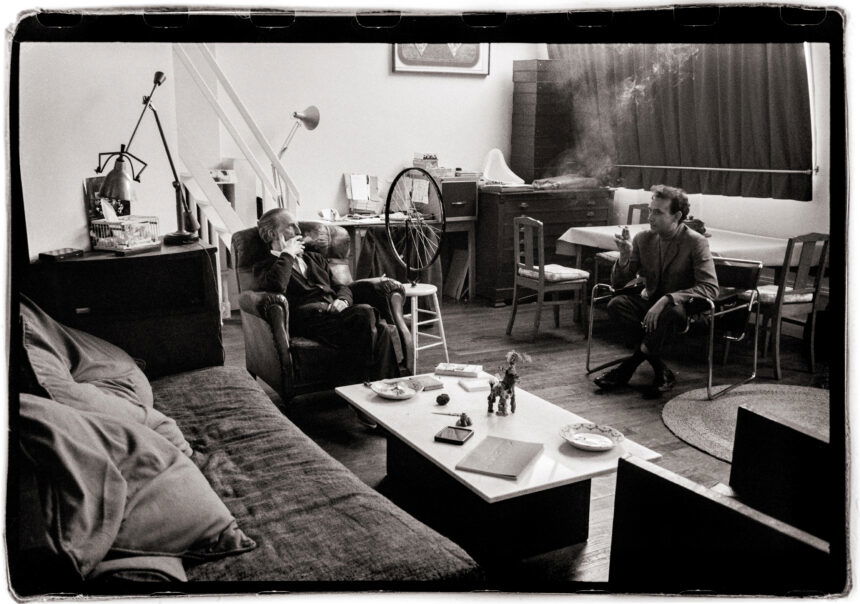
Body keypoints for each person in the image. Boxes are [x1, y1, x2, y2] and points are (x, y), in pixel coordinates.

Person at [593, 185, 719, 398]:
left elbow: (710, 288)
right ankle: (662, 371)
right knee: (617, 304)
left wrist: (667, 299)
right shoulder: (644, 238)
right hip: (650, 303)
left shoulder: (695, 241)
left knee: (671, 313)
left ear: (677, 216)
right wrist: (624, 256)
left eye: (658, 212)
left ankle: (626, 369)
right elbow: (620, 283)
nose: (650, 216)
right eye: (651, 210)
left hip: (683, 309)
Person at [253, 208, 402, 387]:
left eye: (298, 226)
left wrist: (343, 300)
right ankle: (375, 388)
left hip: (337, 316)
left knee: (382, 328)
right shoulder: (265, 267)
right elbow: (277, 286)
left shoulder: (315, 258)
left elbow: (341, 286)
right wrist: (287, 254)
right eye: (291, 227)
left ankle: (381, 389)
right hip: (309, 320)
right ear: (272, 234)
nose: (299, 232)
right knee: (365, 313)